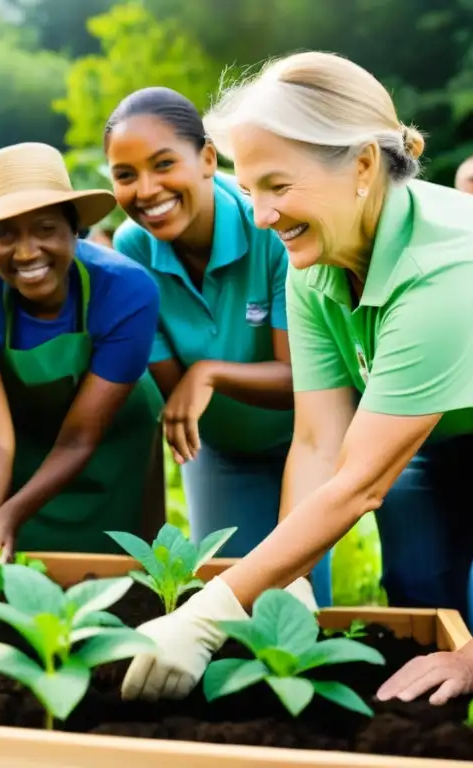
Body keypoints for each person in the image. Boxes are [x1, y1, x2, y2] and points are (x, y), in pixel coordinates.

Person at [117, 50, 473, 706]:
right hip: (432, 431)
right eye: (248, 189)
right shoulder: (316, 260)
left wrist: (208, 612)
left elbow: (361, 482)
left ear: (363, 166)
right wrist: (293, 575)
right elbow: (316, 442)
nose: (258, 216)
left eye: (277, 186)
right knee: (422, 589)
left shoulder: (445, 270)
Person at [105, 86, 332, 607]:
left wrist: (208, 372)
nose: (147, 189)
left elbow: (300, 379)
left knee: (300, 599)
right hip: (220, 451)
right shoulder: (132, 249)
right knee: (227, 597)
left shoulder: (272, 231)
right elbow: (175, 396)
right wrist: (192, 386)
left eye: (164, 164)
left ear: (207, 158)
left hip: (307, 439)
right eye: (125, 175)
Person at [0, 142, 166, 561]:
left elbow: (81, 435)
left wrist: (16, 509)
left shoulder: (127, 289)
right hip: (22, 447)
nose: (25, 252)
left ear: (73, 227)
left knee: (128, 582)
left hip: (115, 445)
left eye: (44, 229)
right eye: (5, 233)